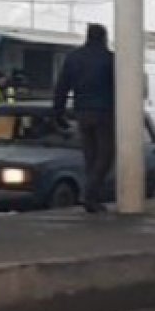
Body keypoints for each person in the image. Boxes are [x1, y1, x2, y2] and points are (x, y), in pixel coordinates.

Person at [53, 24, 115, 213]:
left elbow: (62, 86)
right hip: (104, 112)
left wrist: (58, 112)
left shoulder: (73, 57)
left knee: (90, 155)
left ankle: (92, 197)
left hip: (82, 113)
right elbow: (119, 87)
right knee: (106, 155)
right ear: (104, 37)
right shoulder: (110, 59)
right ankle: (90, 195)